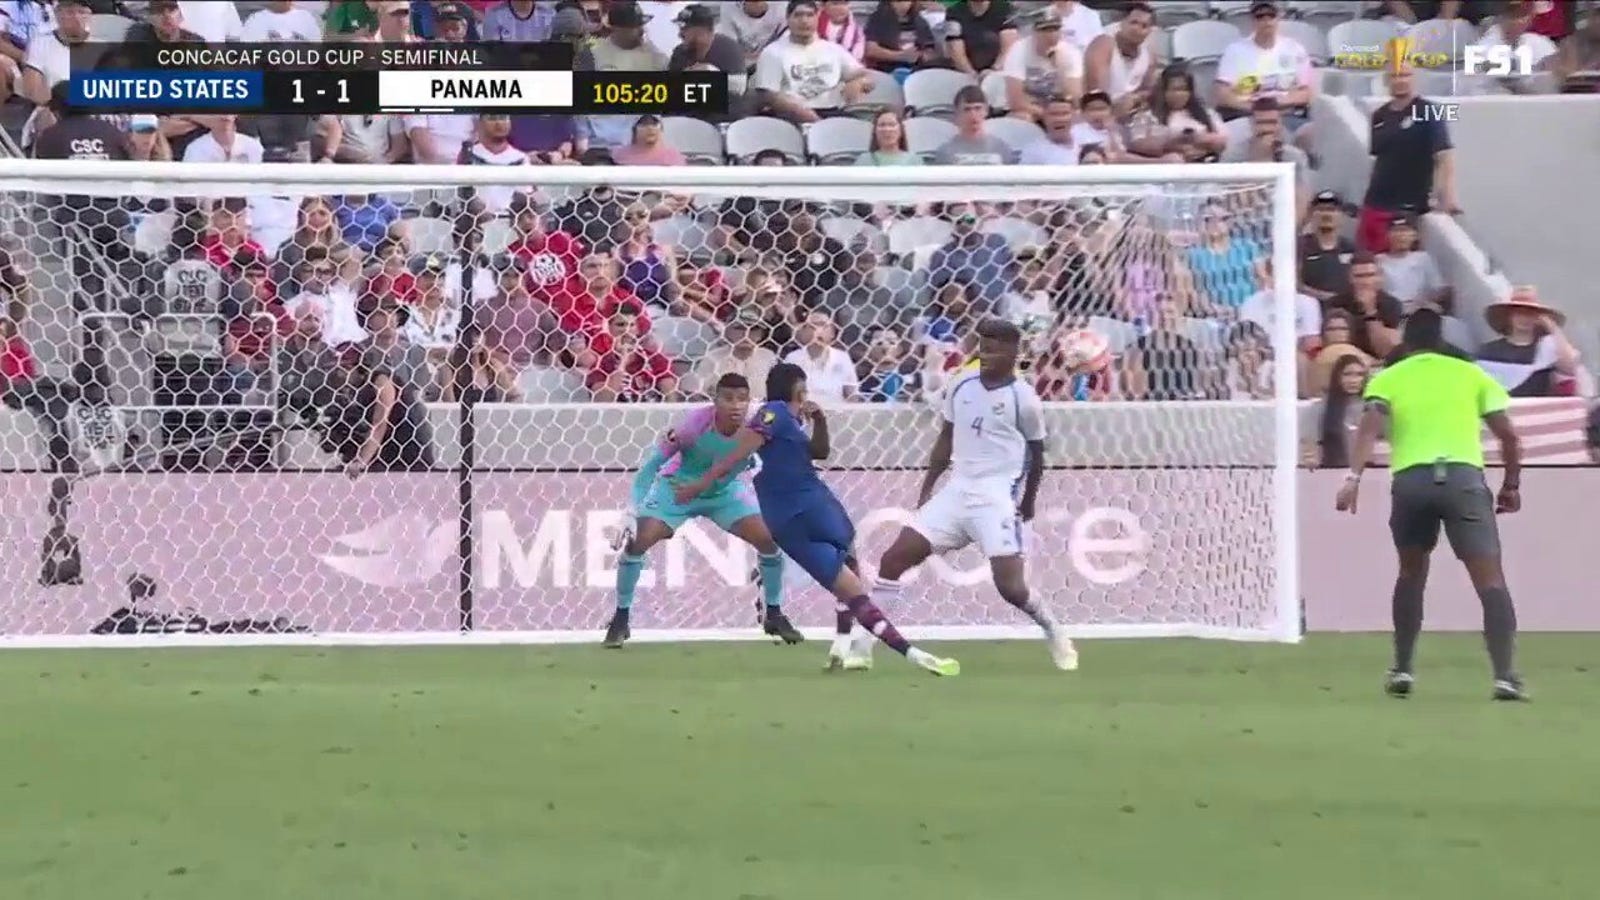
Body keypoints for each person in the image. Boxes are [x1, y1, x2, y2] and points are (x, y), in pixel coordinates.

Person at [676, 363, 960, 676]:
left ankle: (866, 647)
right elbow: (739, 452)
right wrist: (702, 483)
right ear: (799, 390)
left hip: (789, 519)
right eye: (805, 390)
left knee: (850, 580)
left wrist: (821, 420)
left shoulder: (787, 424)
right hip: (808, 506)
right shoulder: (774, 413)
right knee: (849, 564)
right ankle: (876, 646)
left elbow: (819, 451)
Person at [857, 319, 1077, 672]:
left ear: (1012, 353)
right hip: (957, 490)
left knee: (1012, 589)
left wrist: (1029, 500)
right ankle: (861, 646)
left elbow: (1037, 455)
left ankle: (1053, 627)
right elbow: (945, 437)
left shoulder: (1024, 399)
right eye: (982, 346)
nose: (985, 354)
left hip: (995, 498)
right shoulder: (961, 384)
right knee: (893, 559)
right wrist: (928, 489)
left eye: (993, 348)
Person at [1335, 309, 1526, 702]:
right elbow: (1509, 437)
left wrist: (1352, 478)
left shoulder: (1390, 377)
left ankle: (1403, 669)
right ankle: (1505, 676)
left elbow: (1370, 425)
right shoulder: (1470, 374)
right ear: (1442, 338)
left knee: (1410, 574)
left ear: (1405, 342)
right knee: (1490, 579)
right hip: (1463, 480)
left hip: (1412, 481)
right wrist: (1510, 485)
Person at [605, 373, 802, 647]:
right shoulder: (692, 427)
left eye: (742, 399)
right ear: (715, 400)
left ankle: (773, 611)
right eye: (728, 399)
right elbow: (651, 466)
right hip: (678, 489)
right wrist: (631, 511)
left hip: (724, 492)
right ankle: (621, 618)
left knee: (769, 539)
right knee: (640, 540)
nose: (736, 406)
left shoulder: (759, 424)